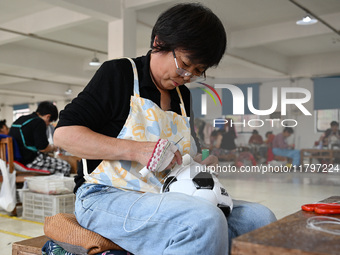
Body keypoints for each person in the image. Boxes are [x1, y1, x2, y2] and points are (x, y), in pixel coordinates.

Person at [54, 3, 276, 254]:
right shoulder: (120, 74)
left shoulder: (183, 96)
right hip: (103, 196)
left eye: (197, 72)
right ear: (159, 42)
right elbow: (64, 135)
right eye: (185, 64)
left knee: (259, 219)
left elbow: (188, 149)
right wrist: (136, 150)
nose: (186, 76)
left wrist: (202, 160)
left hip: (166, 193)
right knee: (203, 220)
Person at [9, 101, 70, 175]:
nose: (48, 125)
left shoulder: (21, 119)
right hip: (29, 161)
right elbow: (43, 148)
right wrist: (54, 147)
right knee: (66, 166)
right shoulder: (39, 122)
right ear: (48, 116)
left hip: (16, 161)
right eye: (49, 122)